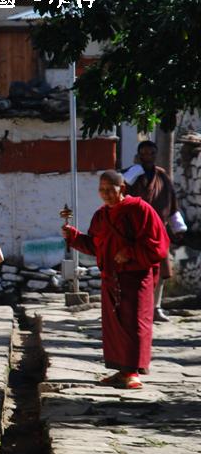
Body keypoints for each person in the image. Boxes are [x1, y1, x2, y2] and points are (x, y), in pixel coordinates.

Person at [61, 170, 170, 390]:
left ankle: (133, 372)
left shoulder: (140, 210)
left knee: (134, 323)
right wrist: (73, 236)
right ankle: (122, 370)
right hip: (111, 277)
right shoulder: (101, 215)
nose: (106, 194)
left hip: (135, 277)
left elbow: (158, 244)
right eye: (102, 190)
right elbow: (95, 245)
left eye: (111, 190)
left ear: (123, 189)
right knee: (115, 325)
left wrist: (130, 252)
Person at [123, 140, 187, 322]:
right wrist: (134, 172)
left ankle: (156, 307)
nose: (148, 157)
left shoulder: (162, 176)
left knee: (161, 269)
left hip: (159, 230)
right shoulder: (132, 175)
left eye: (151, 153)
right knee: (136, 270)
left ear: (155, 155)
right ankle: (135, 308)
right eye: (144, 153)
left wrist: (177, 225)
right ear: (139, 155)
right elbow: (122, 193)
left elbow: (171, 201)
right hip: (136, 231)